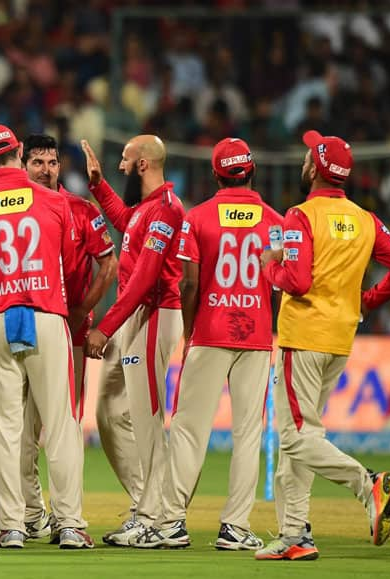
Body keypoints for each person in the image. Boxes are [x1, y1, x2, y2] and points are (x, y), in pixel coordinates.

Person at [256, 131, 390, 561]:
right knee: (303, 435)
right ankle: (295, 535)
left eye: (310, 155)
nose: (306, 160)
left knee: (293, 438)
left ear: (315, 168)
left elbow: (298, 280)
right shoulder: (367, 220)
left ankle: (368, 485)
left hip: (302, 336)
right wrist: (367, 300)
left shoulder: (300, 216)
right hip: (341, 340)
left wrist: (269, 267)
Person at [133, 138, 281, 550]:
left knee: (188, 430)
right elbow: (284, 284)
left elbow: (191, 282)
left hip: (210, 330)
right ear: (251, 171)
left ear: (216, 174)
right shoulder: (275, 221)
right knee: (248, 434)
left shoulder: (197, 218)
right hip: (256, 335)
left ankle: (171, 524)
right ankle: (235, 527)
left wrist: (189, 329)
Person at [0, 124, 92, 550]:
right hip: (46, 315)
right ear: (18, 152)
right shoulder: (55, 203)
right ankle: (70, 524)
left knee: (7, 428)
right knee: (60, 426)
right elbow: (69, 265)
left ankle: (13, 526)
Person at [81, 136, 185, 546]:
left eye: (125, 160)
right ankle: (148, 503)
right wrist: (98, 184)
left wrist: (104, 327)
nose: (121, 167)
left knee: (146, 419)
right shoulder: (146, 210)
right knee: (109, 412)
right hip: (135, 318)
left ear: (143, 164)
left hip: (155, 314)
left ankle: (156, 518)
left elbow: (144, 280)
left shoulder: (167, 211)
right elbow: (126, 222)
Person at [17, 134, 118, 542]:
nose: (46, 169)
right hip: (18, 326)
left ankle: (66, 518)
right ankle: (29, 513)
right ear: (23, 165)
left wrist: (80, 314)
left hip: (69, 332)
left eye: (52, 162)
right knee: (21, 430)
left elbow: (108, 265)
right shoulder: (13, 209)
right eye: (37, 162)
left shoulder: (81, 210)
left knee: (65, 425)